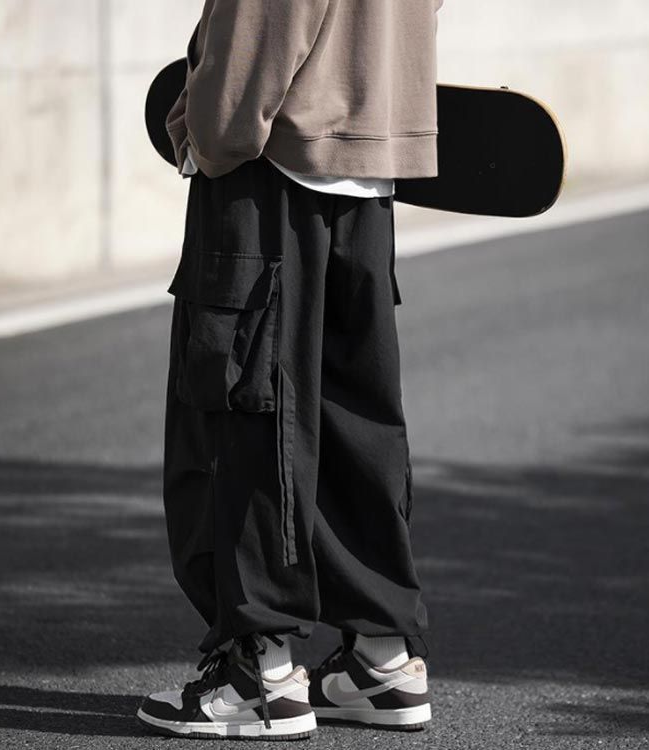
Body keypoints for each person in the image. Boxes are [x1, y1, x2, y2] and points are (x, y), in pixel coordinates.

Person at [137, 0, 444, 740]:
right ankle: (381, 660)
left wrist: (207, 131)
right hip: (369, 165)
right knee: (352, 422)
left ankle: (260, 677)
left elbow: (264, 24)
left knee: (247, 415)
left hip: (270, 171)